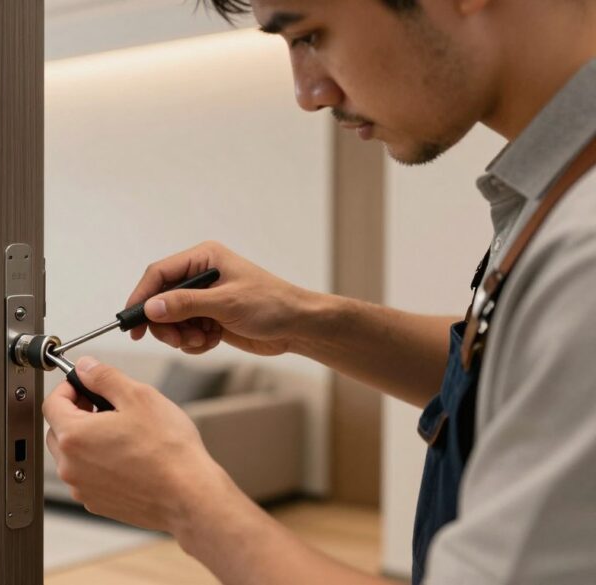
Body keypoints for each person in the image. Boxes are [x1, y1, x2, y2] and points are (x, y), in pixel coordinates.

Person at [41, 0, 596, 583]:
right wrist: (303, 319)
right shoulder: (553, 196)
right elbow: (525, 368)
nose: (309, 94)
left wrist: (183, 499)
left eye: (309, 35)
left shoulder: (583, 245)